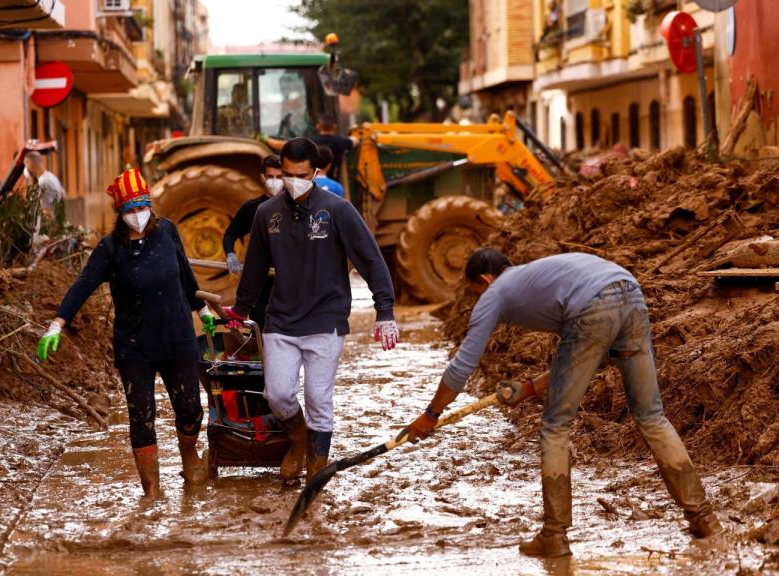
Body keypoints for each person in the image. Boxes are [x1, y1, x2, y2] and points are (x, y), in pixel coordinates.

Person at [405, 249, 722, 557]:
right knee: (652, 415)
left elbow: (461, 367)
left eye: (476, 291)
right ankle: (704, 519)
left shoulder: (495, 293)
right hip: (630, 293)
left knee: (555, 426)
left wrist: (431, 414)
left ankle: (554, 536)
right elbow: (591, 353)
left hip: (593, 306)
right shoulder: (544, 275)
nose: (479, 298)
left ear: (484, 280)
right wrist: (530, 387)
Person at [223, 138, 400, 484]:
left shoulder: (338, 210)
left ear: (316, 172)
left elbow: (369, 259)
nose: (291, 181)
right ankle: (297, 438)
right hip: (281, 320)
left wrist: (385, 309)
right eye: (286, 174)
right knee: (277, 394)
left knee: (318, 396)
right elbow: (256, 268)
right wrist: (240, 310)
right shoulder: (266, 214)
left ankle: (317, 462)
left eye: (300, 174)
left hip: (325, 319)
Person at [35, 168, 211, 501]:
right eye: (130, 210)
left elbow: (186, 274)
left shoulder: (168, 232)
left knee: (191, 409)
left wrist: (202, 311)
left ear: (150, 205)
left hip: (178, 338)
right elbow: (84, 284)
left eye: (142, 207)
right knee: (141, 416)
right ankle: (152, 492)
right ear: (120, 213)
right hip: (135, 346)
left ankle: (189, 456)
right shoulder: (110, 248)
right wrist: (57, 323)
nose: (137, 215)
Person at [221, 154, 283, 327]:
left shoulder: (294, 207)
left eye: (279, 177)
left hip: (287, 280)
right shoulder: (253, 208)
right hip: (260, 281)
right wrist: (230, 254)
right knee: (260, 326)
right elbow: (230, 235)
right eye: (270, 177)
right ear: (263, 177)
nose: (274, 181)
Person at [310, 116, 356, 181]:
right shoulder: (341, 141)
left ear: (318, 126)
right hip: (334, 180)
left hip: (313, 181)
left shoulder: (311, 141)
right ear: (334, 127)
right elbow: (355, 141)